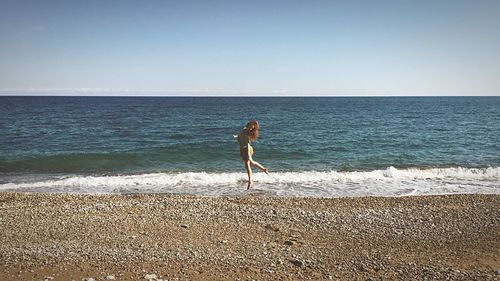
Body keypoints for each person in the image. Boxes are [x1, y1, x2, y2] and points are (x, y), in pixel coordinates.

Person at [236, 120, 270, 189]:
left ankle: (250, 181)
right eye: (249, 126)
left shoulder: (247, 135)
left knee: (248, 165)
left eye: (251, 128)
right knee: (252, 163)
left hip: (247, 150)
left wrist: (248, 155)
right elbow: (240, 138)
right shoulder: (244, 130)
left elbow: (248, 145)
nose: (250, 128)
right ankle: (264, 169)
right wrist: (236, 137)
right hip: (243, 150)